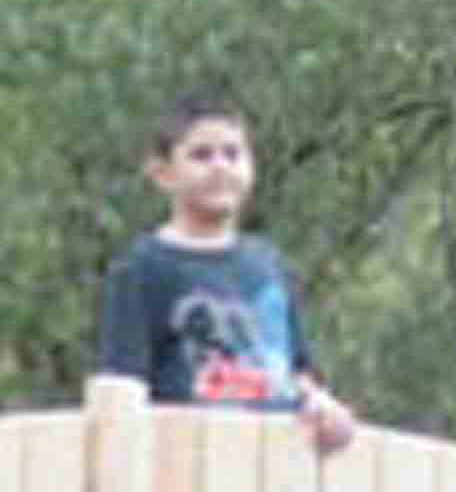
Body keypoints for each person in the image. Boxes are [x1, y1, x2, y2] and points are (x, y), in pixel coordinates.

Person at [91, 90, 361, 450]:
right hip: (185, 460)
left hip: (273, 460)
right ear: (162, 173)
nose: (220, 166)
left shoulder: (270, 266)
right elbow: (125, 388)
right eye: (201, 155)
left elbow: (298, 372)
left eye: (232, 154)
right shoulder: (142, 268)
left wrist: (323, 407)